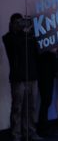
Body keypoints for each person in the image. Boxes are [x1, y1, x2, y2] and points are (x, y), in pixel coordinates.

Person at [2, 13, 42, 141]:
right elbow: (15, 45)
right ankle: (16, 135)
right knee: (17, 107)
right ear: (12, 24)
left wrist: (31, 31)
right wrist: (23, 32)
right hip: (18, 79)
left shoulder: (29, 37)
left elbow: (37, 51)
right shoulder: (8, 38)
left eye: (22, 22)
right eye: (18, 23)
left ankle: (30, 132)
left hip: (32, 77)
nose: (21, 25)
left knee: (31, 107)